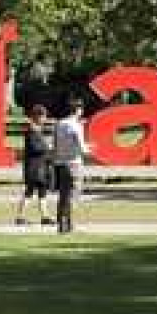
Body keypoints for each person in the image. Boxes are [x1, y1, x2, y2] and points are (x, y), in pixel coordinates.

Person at [50, 97, 88, 234]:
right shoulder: (76, 126)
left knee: (63, 195)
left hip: (60, 164)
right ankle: (69, 224)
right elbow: (82, 148)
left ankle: (62, 223)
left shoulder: (59, 124)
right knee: (73, 195)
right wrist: (91, 148)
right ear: (77, 110)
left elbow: (54, 146)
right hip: (73, 164)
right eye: (81, 109)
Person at [14, 104, 55, 226]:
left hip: (40, 166)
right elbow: (34, 147)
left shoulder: (37, 129)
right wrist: (47, 147)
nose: (45, 119)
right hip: (34, 167)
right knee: (29, 192)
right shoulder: (31, 130)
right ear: (36, 116)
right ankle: (20, 216)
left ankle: (45, 216)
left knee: (42, 192)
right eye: (43, 116)